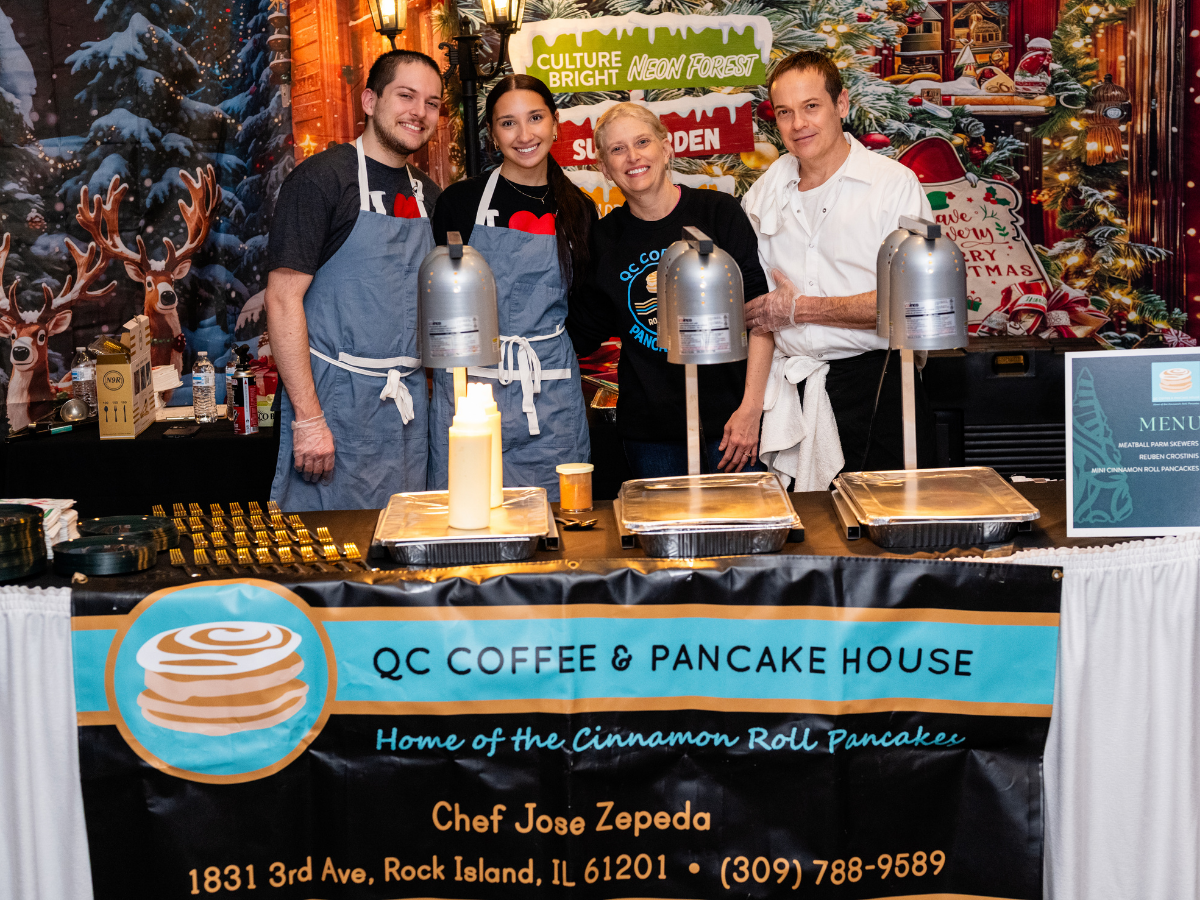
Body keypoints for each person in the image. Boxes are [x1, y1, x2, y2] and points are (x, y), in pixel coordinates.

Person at [742, 51, 934, 489]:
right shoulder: (763, 193)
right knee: (809, 536)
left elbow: (913, 302)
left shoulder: (893, 185)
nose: (798, 125)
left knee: (894, 529)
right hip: (795, 391)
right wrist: (752, 405)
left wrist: (799, 309)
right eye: (785, 113)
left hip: (881, 382)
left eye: (811, 107)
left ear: (841, 105)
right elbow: (763, 314)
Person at [266, 50, 444, 510]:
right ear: (369, 100)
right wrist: (308, 419)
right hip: (336, 404)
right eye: (406, 96)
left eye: (432, 103)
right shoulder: (322, 180)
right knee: (332, 556)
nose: (419, 113)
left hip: (406, 409)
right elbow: (283, 300)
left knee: (407, 542)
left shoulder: (430, 195)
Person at [567, 103, 772, 479]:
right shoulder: (604, 238)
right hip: (651, 436)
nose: (632, 157)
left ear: (666, 148)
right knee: (667, 537)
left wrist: (750, 409)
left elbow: (760, 314)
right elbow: (581, 329)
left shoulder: (718, 212)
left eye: (642, 142)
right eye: (617, 150)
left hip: (730, 426)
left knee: (742, 533)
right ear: (604, 169)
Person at [429, 74, 594, 500]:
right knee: (467, 513)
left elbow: (586, 303)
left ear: (556, 122)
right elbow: (434, 301)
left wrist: (549, 345)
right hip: (470, 391)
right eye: (508, 123)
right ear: (492, 133)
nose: (524, 135)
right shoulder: (460, 203)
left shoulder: (578, 208)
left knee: (555, 519)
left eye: (535, 118)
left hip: (550, 388)